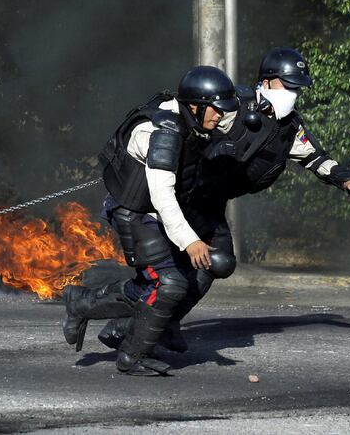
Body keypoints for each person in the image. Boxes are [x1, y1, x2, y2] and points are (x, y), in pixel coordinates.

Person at [96, 47, 350, 355]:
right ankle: (118, 324)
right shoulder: (232, 104)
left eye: (297, 87)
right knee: (168, 277)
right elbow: (183, 110)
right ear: (267, 82)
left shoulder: (291, 129)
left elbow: (316, 157)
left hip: (211, 204)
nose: (293, 93)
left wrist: (345, 179)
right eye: (287, 84)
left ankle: (165, 323)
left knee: (218, 263)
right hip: (184, 196)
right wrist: (145, 143)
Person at [63, 65, 239, 375]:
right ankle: (132, 357)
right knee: (169, 283)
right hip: (134, 211)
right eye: (216, 110)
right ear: (195, 106)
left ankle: (81, 303)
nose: (220, 117)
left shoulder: (195, 121)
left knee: (165, 282)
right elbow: (162, 194)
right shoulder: (163, 134)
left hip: (155, 213)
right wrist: (191, 241)